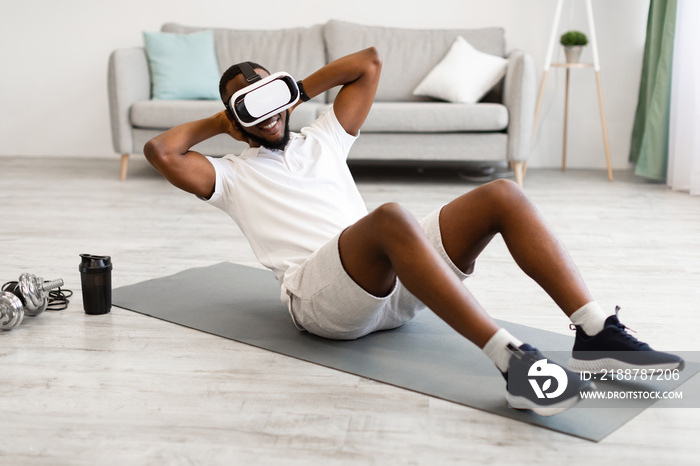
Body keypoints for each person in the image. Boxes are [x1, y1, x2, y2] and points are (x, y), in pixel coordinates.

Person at [144, 47, 683, 416]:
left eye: (270, 98)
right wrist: (227, 120)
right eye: (250, 107)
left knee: (502, 193)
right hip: (322, 300)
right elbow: (160, 151)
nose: (266, 114)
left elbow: (368, 63)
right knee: (390, 217)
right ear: (236, 118)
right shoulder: (230, 175)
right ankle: (513, 363)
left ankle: (595, 332)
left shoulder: (322, 138)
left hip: (396, 282)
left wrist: (287, 90)